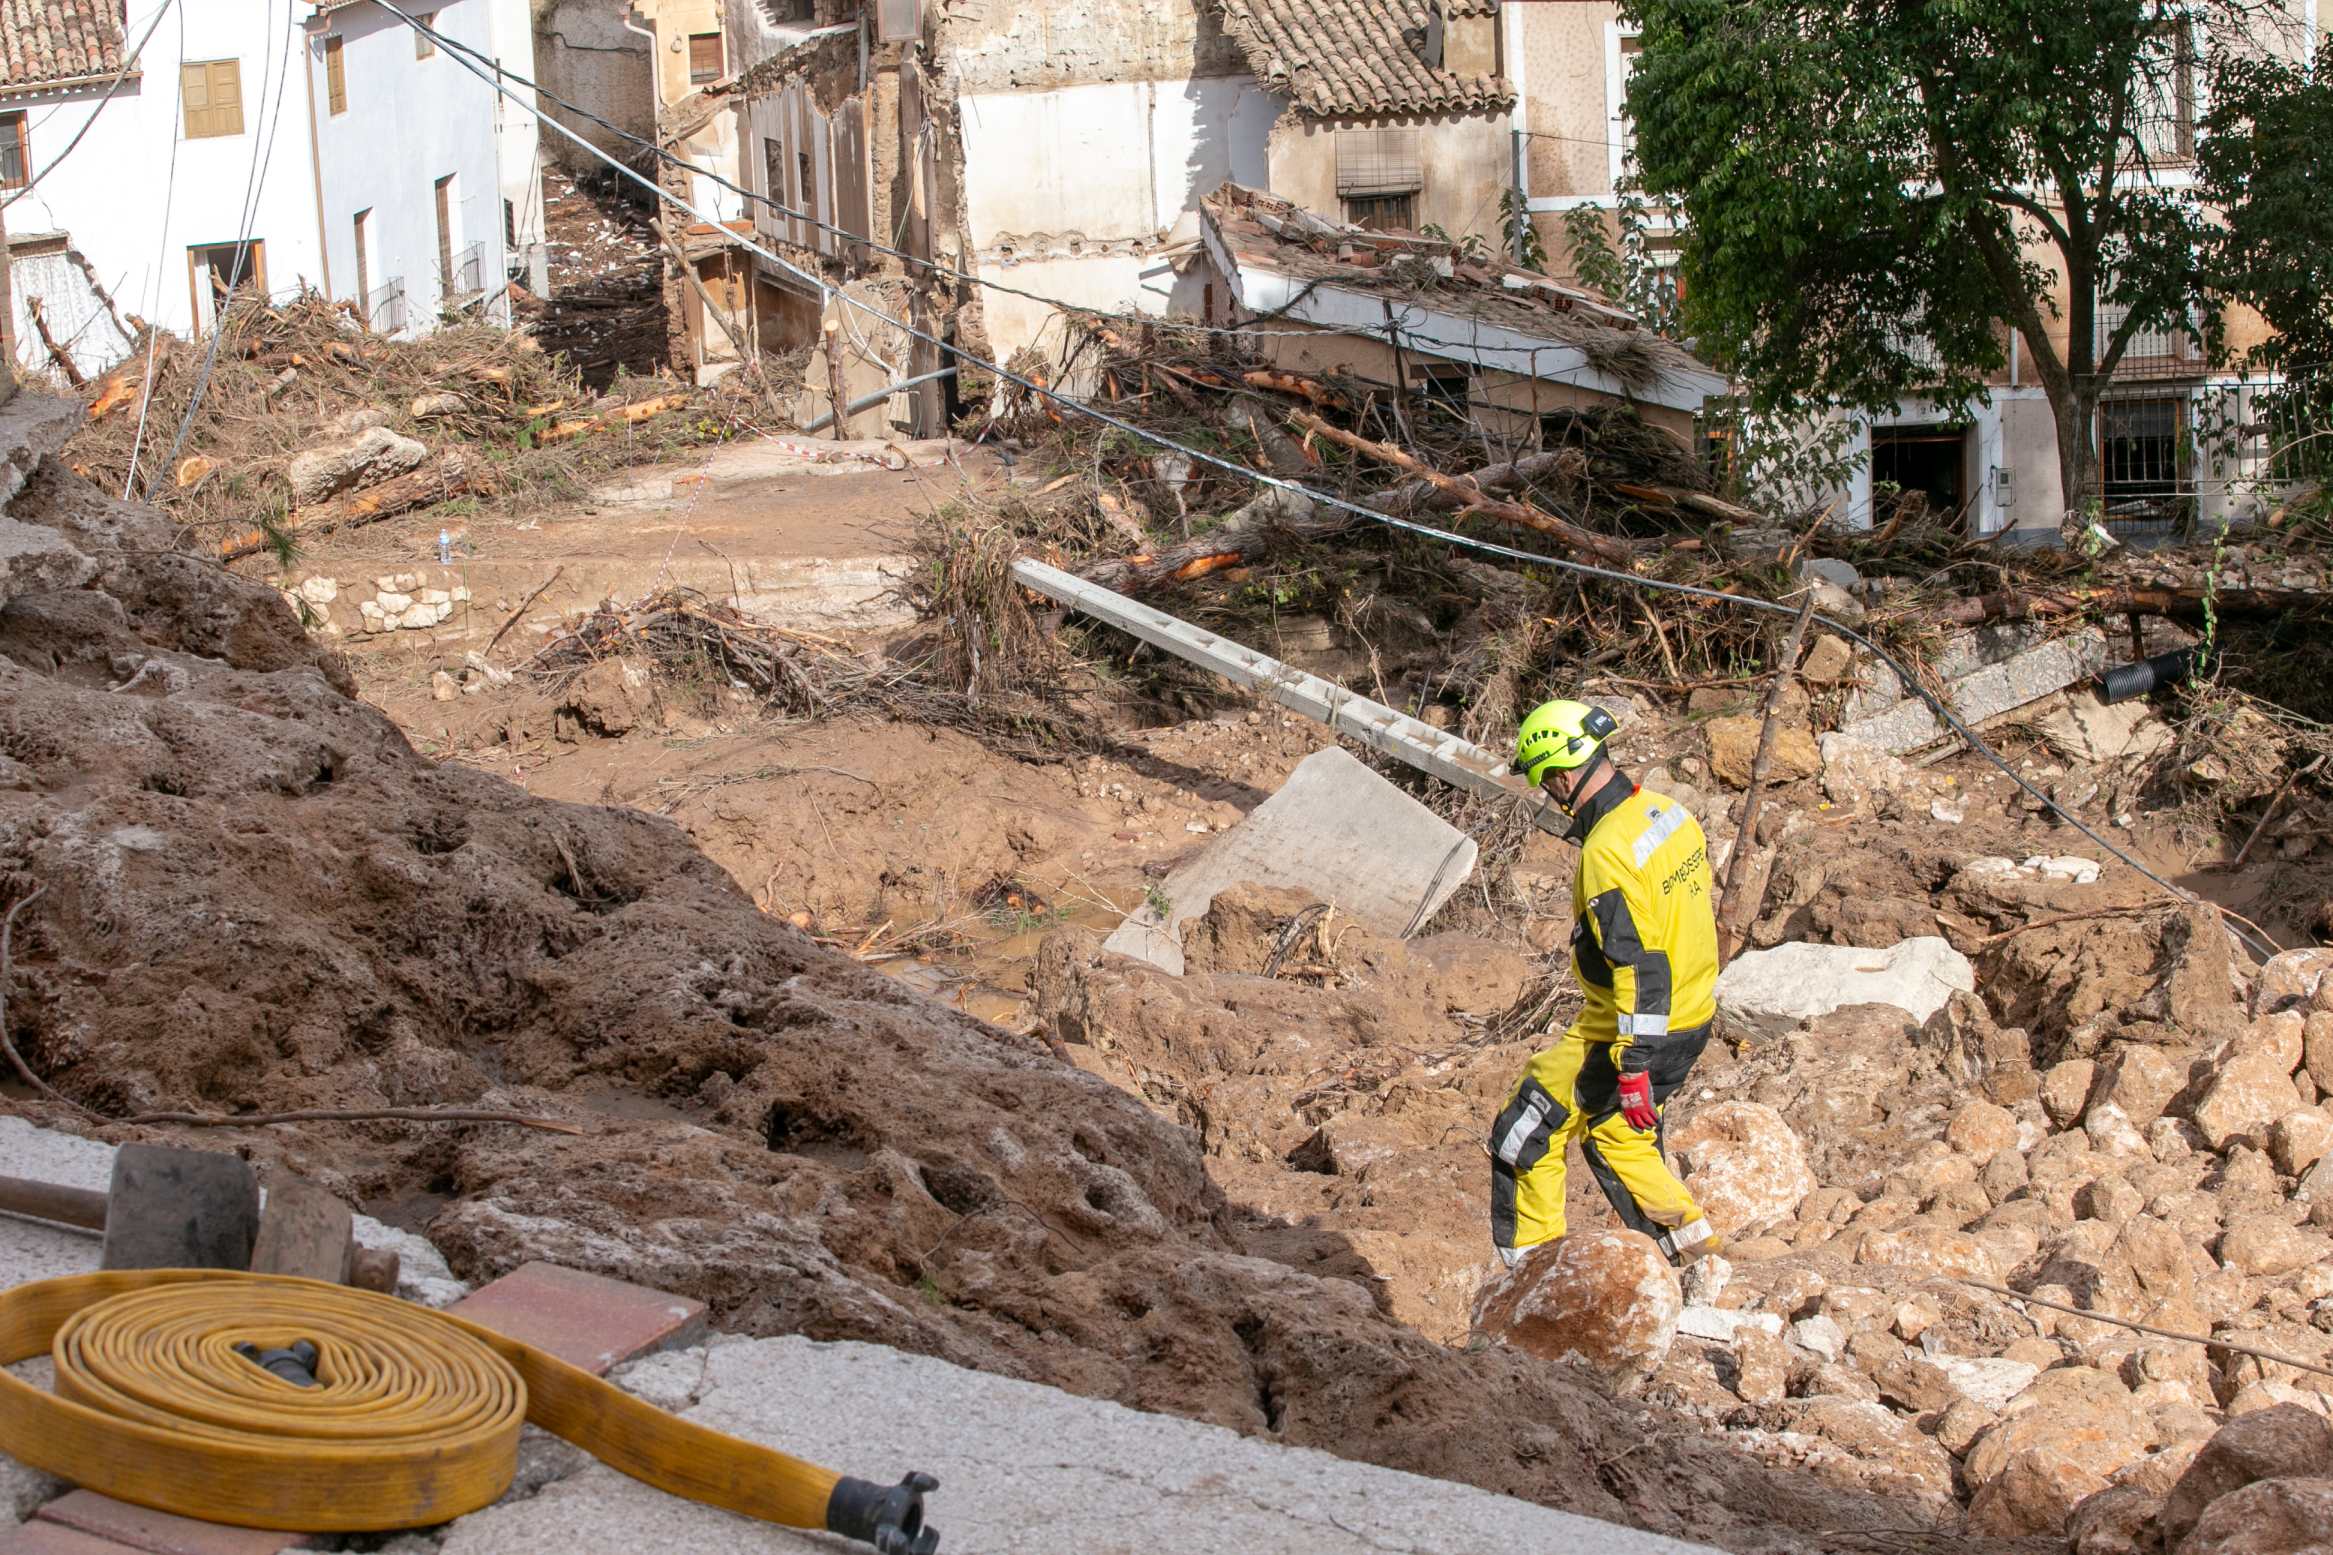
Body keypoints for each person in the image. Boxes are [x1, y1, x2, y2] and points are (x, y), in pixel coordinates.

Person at [1489, 698, 1723, 1267]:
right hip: (1693, 1017)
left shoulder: (1607, 851)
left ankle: (1532, 1274)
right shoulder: (1669, 813)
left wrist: (1634, 1064)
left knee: (1525, 1133)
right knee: (1619, 1138)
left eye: (1547, 782)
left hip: (1632, 1027)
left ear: (1564, 774)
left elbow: (1641, 966)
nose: (1551, 795)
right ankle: (1694, 1257)